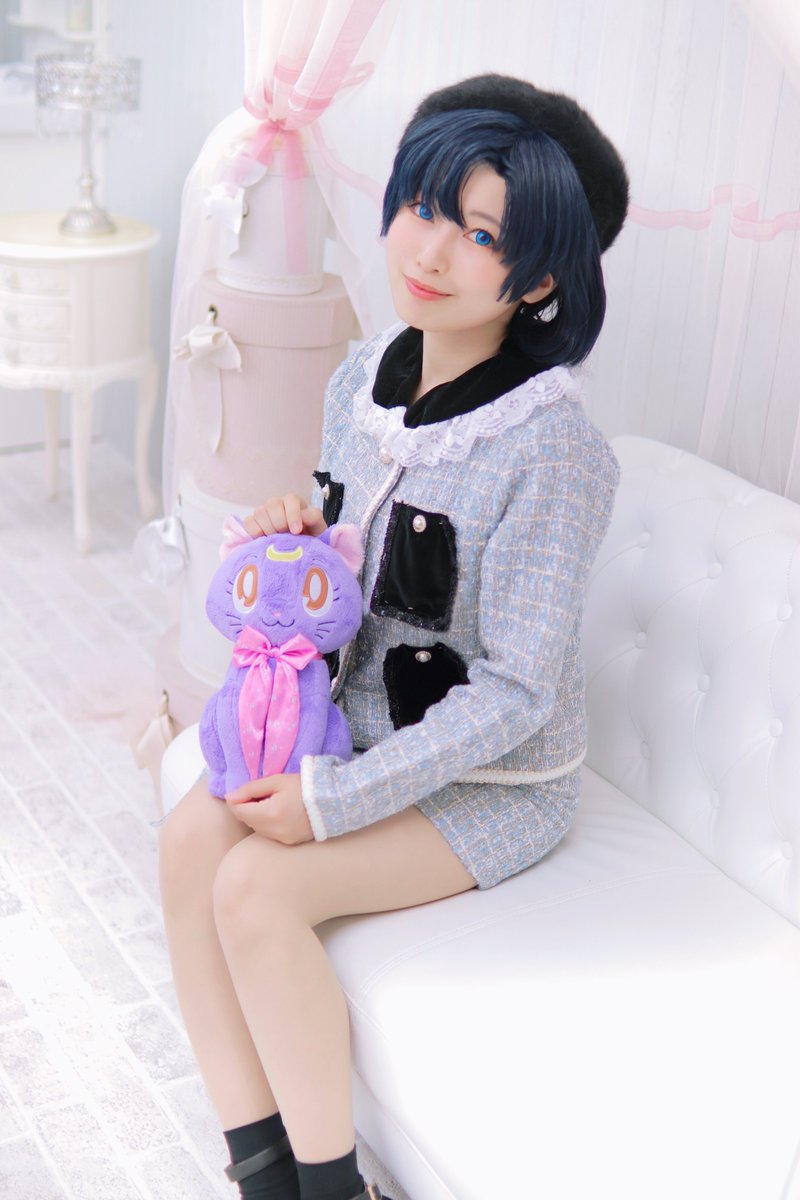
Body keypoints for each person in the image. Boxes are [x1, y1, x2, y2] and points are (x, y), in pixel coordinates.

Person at [159, 73, 629, 1200]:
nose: (430, 249)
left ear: (540, 278)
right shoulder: (363, 377)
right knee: (188, 843)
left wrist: (331, 801)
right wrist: (299, 538)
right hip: (355, 735)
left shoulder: (553, 448)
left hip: (491, 785)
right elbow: (356, 572)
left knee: (256, 890)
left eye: (481, 235)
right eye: (423, 207)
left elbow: (517, 693)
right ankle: (262, 1171)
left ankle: (334, 1192)